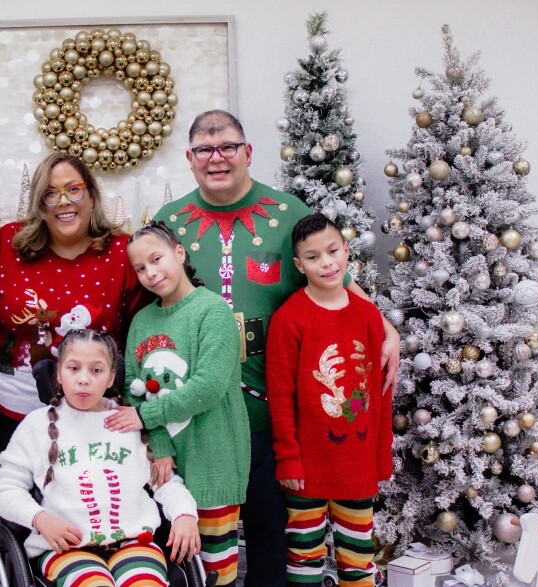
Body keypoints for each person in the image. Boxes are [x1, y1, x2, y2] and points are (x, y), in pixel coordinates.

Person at [152, 110, 400, 587]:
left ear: (248, 152)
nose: (216, 158)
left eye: (227, 147)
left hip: (271, 403)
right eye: (204, 149)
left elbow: (338, 283)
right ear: (189, 159)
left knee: (272, 533)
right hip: (200, 411)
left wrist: (386, 329)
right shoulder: (169, 221)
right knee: (201, 538)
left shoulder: (286, 212)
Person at [0, 152, 147, 487]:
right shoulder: (7, 242)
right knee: (16, 507)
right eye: (50, 193)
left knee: (83, 508)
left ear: (91, 195)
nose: (63, 202)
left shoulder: (121, 252)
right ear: (39, 203)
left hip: (91, 411)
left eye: (74, 189)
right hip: (9, 407)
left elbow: (138, 333)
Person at [0, 329, 200, 587]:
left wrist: (184, 514)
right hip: (66, 548)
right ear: (58, 373)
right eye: (74, 368)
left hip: (134, 543)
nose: (84, 380)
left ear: (112, 377)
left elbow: (166, 483)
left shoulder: (128, 421)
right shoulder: (36, 426)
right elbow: (4, 489)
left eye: (96, 370)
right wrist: (39, 518)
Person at [105, 220, 251, 586]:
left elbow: (208, 388)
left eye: (157, 259)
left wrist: (143, 417)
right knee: (170, 571)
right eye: (140, 268)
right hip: (162, 471)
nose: (151, 273)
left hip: (211, 462)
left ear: (179, 253)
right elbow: (132, 391)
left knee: (215, 573)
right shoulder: (141, 321)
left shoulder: (212, 311)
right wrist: (159, 444)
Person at [267, 213, 392, 586]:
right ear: (298, 264)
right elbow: (280, 394)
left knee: (358, 558)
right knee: (304, 557)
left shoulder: (369, 315)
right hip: (307, 471)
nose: (326, 263)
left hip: (357, 467)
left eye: (333, 251)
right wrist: (289, 459)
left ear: (347, 251)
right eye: (313, 256)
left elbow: (381, 392)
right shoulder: (289, 319)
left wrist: (381, 454)